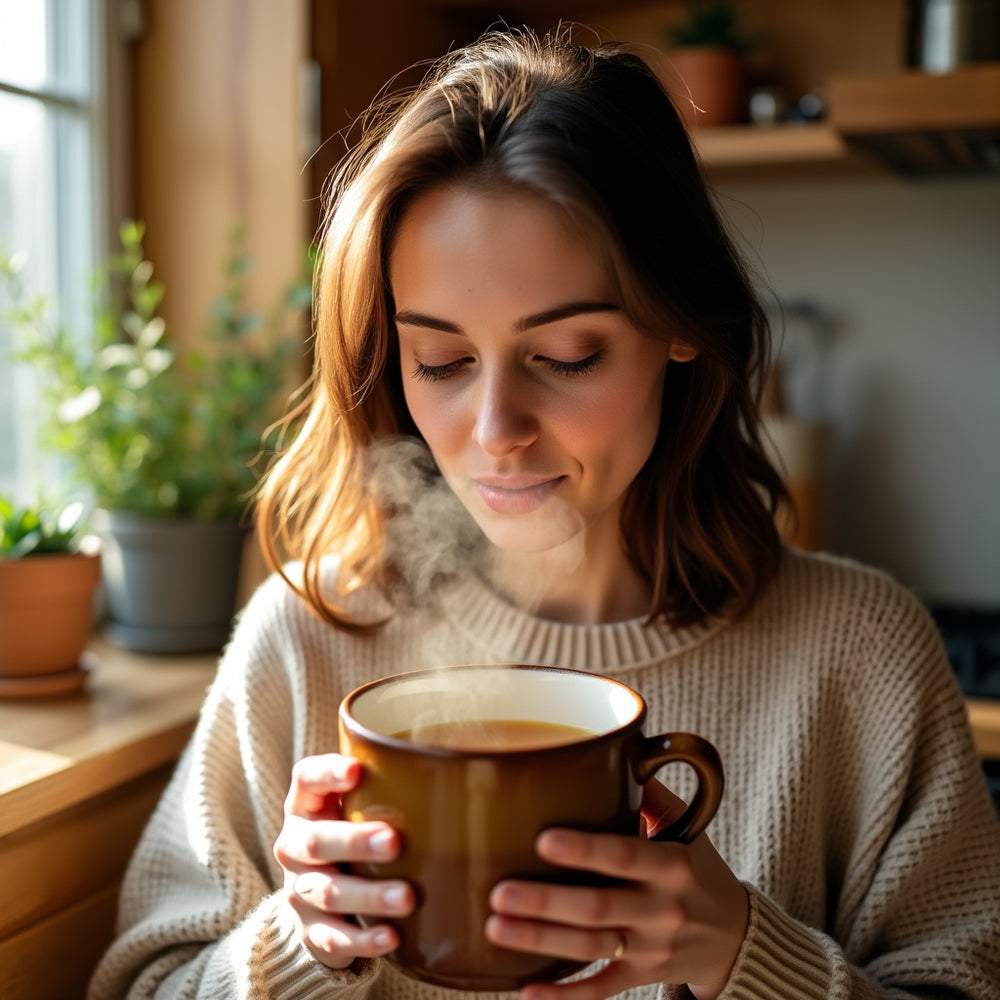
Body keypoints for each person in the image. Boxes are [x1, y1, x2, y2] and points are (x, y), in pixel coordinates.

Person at [88, 26, 1000, 1000]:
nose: (495, 431)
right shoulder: (305, 641)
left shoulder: (859, 657)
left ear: (681, 327)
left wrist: (746, 955)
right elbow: (146, 985)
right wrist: (299, 944)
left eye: (565, 354)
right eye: (439, 361)